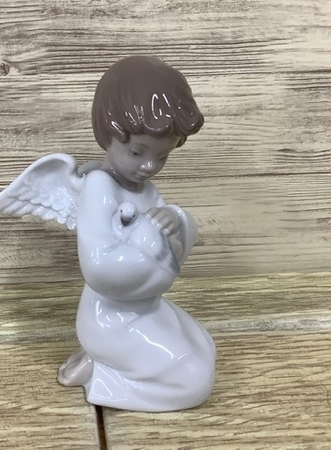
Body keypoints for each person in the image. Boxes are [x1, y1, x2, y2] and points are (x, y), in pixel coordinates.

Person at [57, 56, 216, 412]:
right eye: (136, 152)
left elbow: (173, 243)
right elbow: (99, 269)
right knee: (194, 380)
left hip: (146, 307)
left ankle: (107, 365)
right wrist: (151, 239)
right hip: (111, 317)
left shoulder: (146, 189)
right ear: (108, 134)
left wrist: (176, 220)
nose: (148, 166)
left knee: (205, 347)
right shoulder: (99, 187)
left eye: (162, 157)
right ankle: (103, 377)